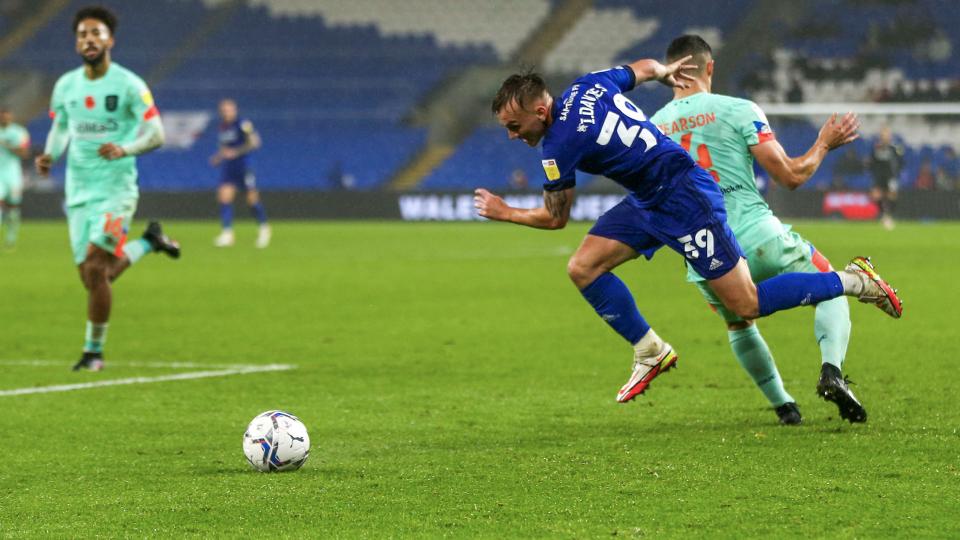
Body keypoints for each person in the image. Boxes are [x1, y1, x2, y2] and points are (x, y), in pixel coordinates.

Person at [474, 57, 902, 405]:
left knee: (746, 304)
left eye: (515, 126)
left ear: (541, 111)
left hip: (683, 197)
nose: (513, 137)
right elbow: (639, 68)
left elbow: (556, 218)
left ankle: (854, 281)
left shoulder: (556, 147)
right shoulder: (588, 86)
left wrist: (503, 211)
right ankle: (649, 351)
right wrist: (664, 70)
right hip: (647, 200)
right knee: (583, 267)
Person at [650, 35, 868, 424]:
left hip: (704, 250)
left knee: (738, 321)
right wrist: (822, 144)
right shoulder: (737, 109)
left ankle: (785, 407)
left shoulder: (649, 131)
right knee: (831, 283)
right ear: (710, 67)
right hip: (758, 233)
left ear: (669, 75)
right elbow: (790, 176)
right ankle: (831, 371)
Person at [34, 5, 181, 371]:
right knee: (91, 276)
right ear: (77, 43)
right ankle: (149, 242)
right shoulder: (66, 85)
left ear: (110, 40)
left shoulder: (129, 85)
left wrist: (125, 148)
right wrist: (50, 155)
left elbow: (157, 134)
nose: (89, 39)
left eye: (96, 33)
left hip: (116, 190)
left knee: (98, 270)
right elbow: (62, 126)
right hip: (79, 191)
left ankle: (92, 354)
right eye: (82, 34)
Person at [210, 98, 270, 248]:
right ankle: (227, 234)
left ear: (234, 110)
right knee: (224, 197)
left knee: (252, 200)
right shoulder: (222, 127)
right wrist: (218, 157)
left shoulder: (243, 124)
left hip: (243, 166)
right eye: (223, 110)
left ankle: (263, 228)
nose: (226, 113)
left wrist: (236, 152)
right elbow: (225, 148)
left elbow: (255, 142)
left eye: (228, 110)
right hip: (228, 167)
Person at [0, 106, 30, 248]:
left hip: (13, 174)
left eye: (7, 115)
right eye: (2, 115)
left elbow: (25, 153)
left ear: (11, 117)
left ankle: (11, 237)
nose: (5, 118)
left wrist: (7, 145)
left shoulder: (19, 132)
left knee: (13, 207)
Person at [867, 127, 903, 230]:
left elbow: (900, 162)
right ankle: (884, 215)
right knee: (876, 196)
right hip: (878, 176)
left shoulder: (894, 148)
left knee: (892, 196)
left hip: (890, 176)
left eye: (887, 134)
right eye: (884, 134)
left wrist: (896, 174)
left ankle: (888, 216)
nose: (886, 136)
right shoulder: (876, 147)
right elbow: (872, 162)